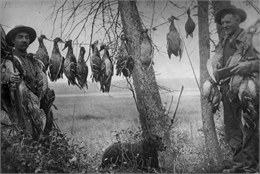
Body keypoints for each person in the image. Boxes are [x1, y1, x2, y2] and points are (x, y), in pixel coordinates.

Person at [210, 6, 259, 173]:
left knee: (248, 129)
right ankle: (238, 167)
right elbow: (218, 62)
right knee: (232, 130)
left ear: (237, 20)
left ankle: (250, 169)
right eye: (222, 23)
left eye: (228, 22)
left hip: (247, 89)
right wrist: (216, 65)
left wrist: (248, 65)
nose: (224, 25)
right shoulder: (223, 41)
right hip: (227, 90)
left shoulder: (251, 38)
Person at [1, 25, 54, 139]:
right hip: (18, 108)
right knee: (24, 138)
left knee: (40, 138)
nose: (24, 40)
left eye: (26, 37)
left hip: (36, 107)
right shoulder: (9, 60)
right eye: (20, 37)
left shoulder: (34, 61)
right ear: (13, 40)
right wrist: (8, 77)